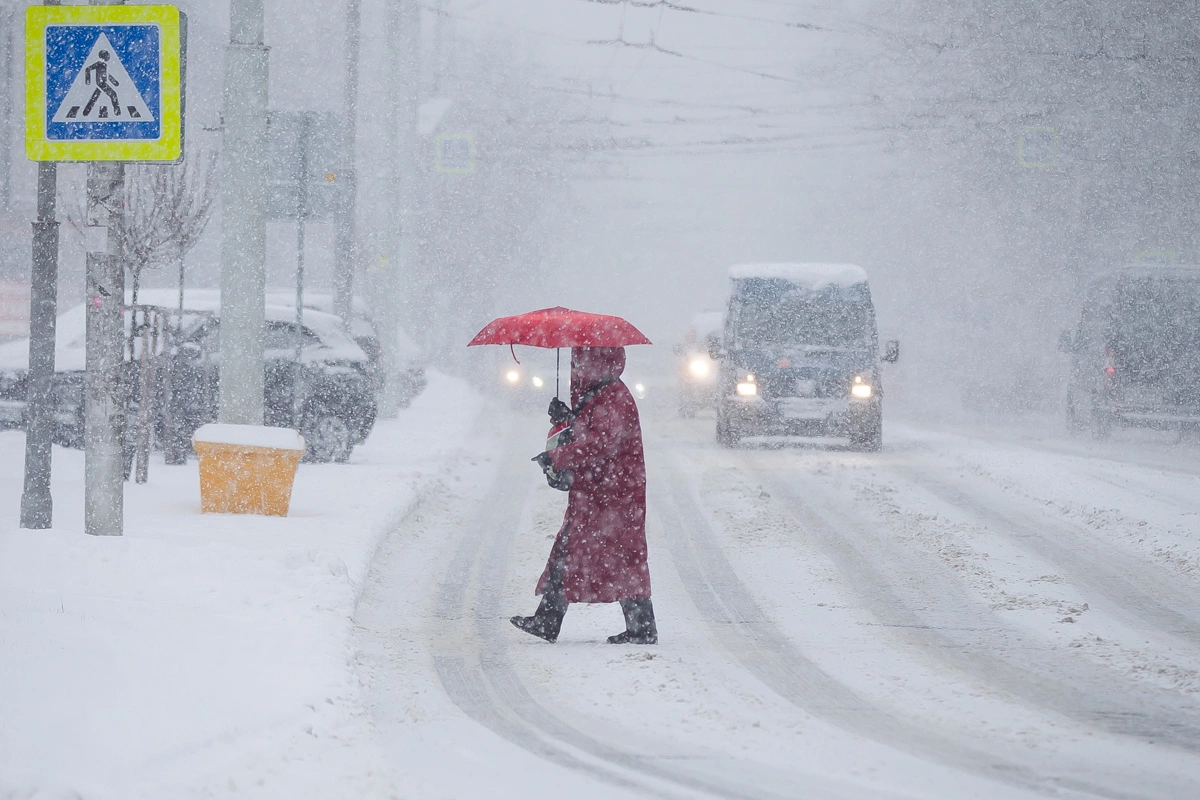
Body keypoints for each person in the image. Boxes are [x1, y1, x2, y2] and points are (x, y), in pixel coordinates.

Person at [511, 346, 657, 645]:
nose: (576, 366)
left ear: (600, 361)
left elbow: (600, 444)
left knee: (614, 557)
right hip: (601, 493)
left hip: (614, 495)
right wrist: (567, 418)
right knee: (587, 553)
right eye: (574, 360)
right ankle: (550, 619)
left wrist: (559, 457)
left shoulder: (613, 396)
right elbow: (591, 433)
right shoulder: (601, 393)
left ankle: (638, 627)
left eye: (582, 360)